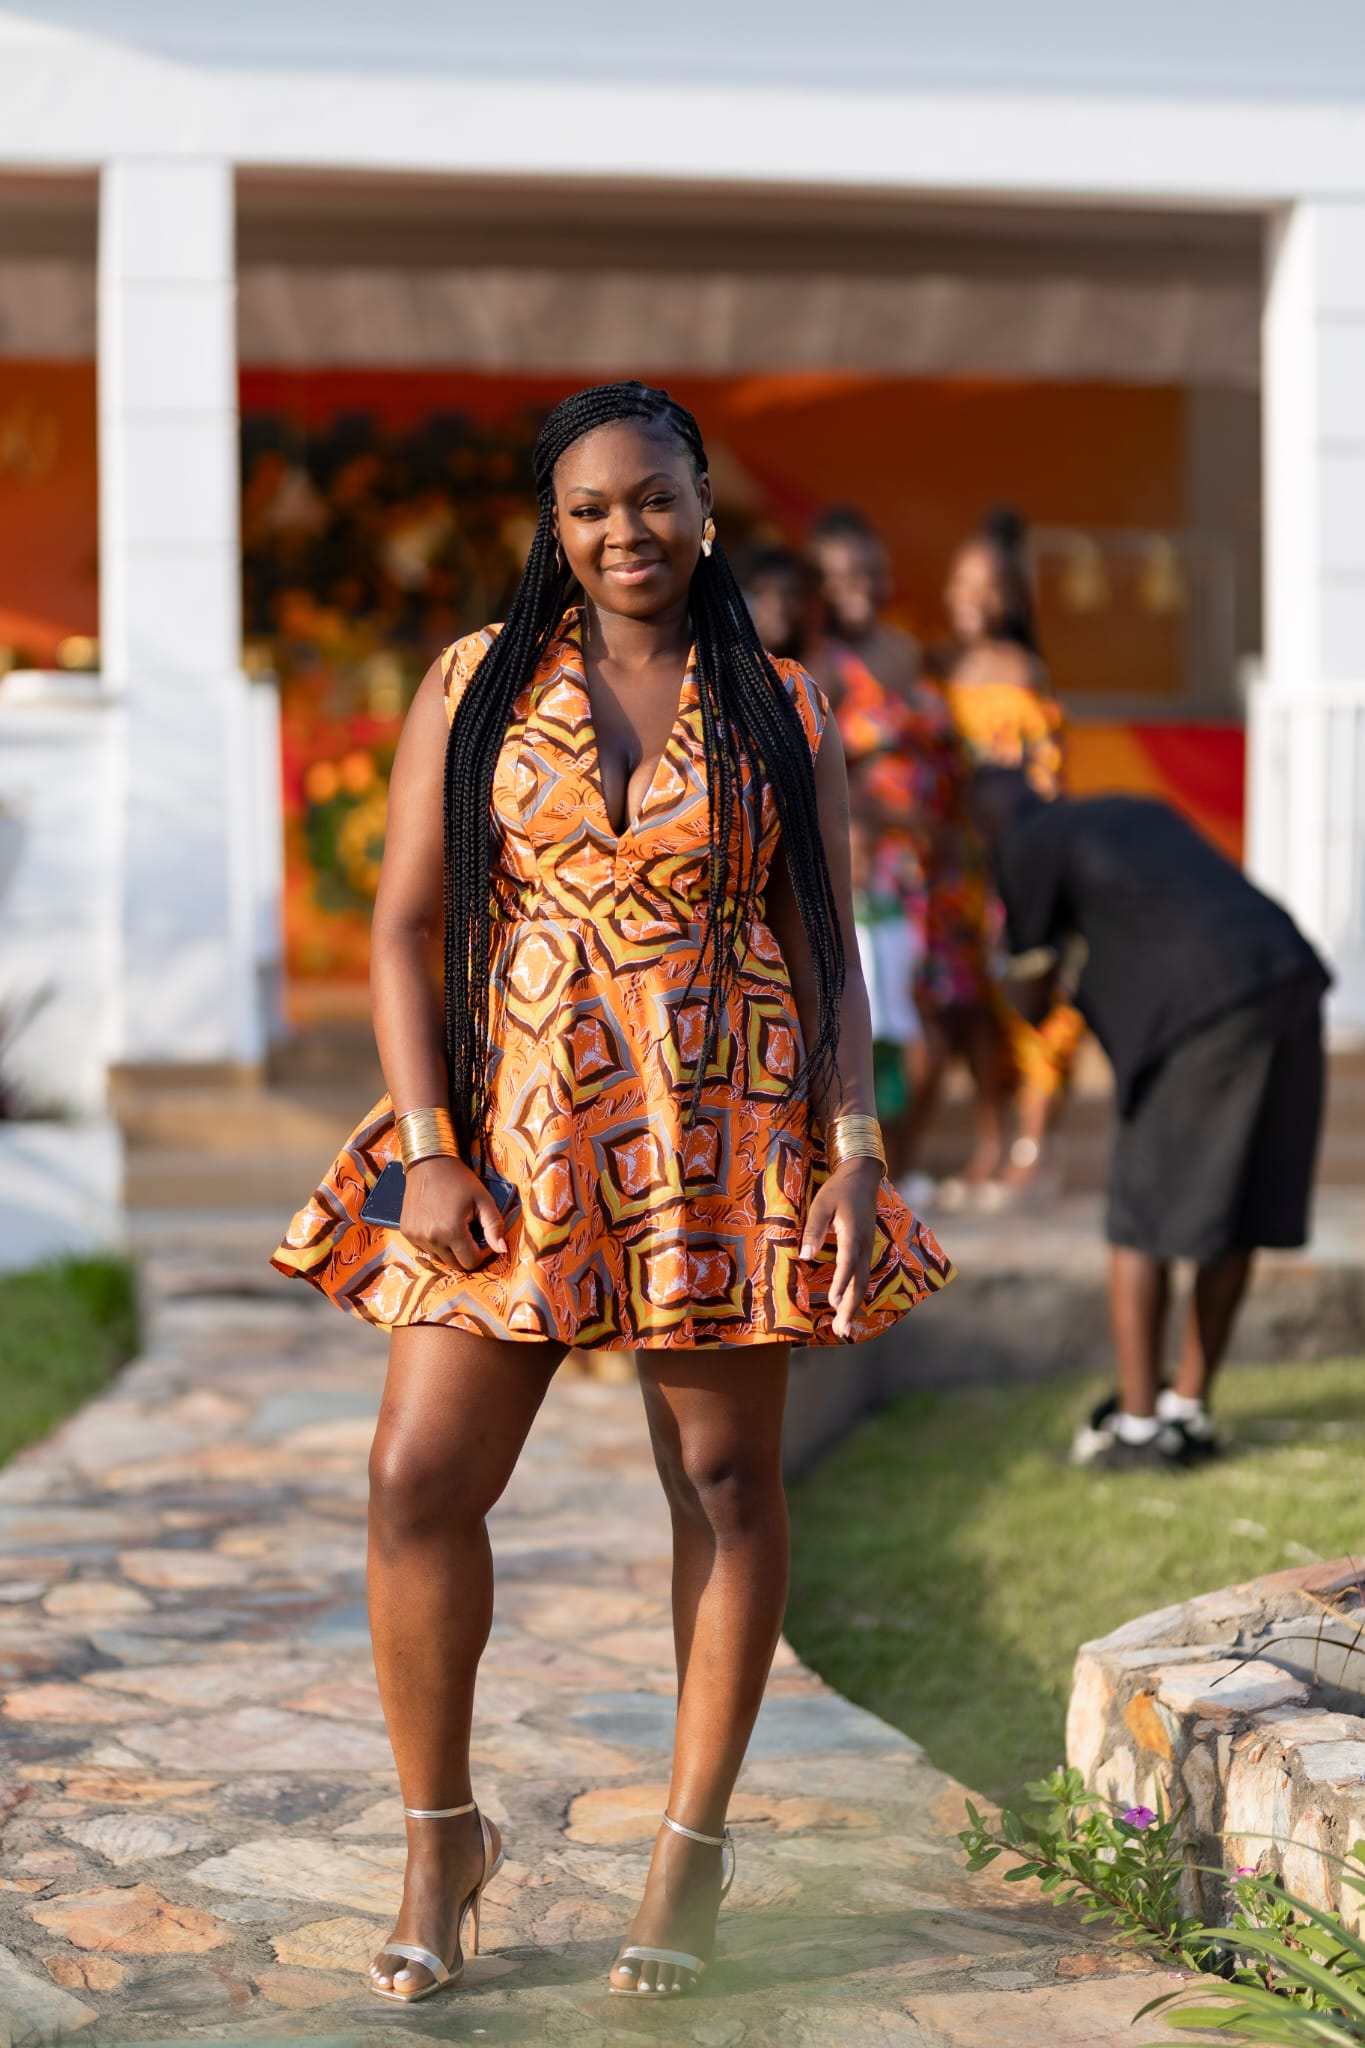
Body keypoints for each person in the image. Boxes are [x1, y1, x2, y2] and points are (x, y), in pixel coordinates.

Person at [272, 383, 953, 2004]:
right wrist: (428, 1143)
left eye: (651, 497)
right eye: (587, 508)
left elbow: (824, 946)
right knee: (416, 1477)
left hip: (724, 1131)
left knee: (721, 1484)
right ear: (554, 528)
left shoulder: (782, 700)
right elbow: (403, 927)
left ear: (703, 506)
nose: (622, 531)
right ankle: (441, 1838)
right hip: (519, 1131)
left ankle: (690, 1848)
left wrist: (855, 1153)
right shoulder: (481, 680)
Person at [973, 769, 1330, 1470]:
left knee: (1138, 1219)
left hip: (1197, 1014)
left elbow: (1031, 1001)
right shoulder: (1129, 810)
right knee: (1237, 1208)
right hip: (1286, 977)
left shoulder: (1023, 845)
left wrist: (1006, 958)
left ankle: (1138, 1427)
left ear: (987, 825)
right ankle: (1185, 1410)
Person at [740, 540, 992, 1186]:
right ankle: (867, 1167)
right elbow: (815, 776)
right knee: (883, 1021)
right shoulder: (816, 669)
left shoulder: (908, 651)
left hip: (929, 866)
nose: (859, 585)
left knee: (931, 1014)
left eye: (870, 570)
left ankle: (898, 1165)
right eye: (841, 575)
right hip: (865, 864)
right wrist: (886, 824)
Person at [938, 506, 1082, 1188]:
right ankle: (991, 1141)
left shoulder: (1023, 671)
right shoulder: (939, 669)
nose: (975, 599)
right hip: (955, 869)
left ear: (1013, 599)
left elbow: (1045, 776)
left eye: (990, 587)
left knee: (1033, 1003)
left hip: (1013, 864)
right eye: (963, 584)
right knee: (976, 1011)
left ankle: (1032, 1144)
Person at [808, 504, 920, 701]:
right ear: (818, 583)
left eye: (874, 574)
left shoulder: (904, 648)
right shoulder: (815, 665)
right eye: (847, 577)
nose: (865, 586)